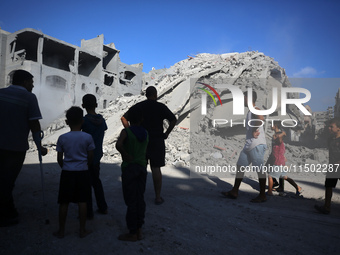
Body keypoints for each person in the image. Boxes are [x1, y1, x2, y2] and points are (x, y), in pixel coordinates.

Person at [0, 70, 47, 227]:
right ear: (25, 82)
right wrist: (39, 146)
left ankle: (9, 210)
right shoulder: (29, 97)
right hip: (15, 147)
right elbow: (34, 124)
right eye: (32, 82)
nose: (33, 85)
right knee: (8, 180)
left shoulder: (1, 93)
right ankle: (7, 214)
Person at [121, 86, 177, 205]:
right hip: (157, 140)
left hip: (141, 140)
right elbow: (173, 120)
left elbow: (123, 118)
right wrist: (166, 133)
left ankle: (138, 193)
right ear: (155, 95)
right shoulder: (161, 107)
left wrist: (131, 132)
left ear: (146, 95)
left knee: (140, 166)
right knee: (156, 168)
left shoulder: (139, 106)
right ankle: (157, 197)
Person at [54, 106, 95, 238]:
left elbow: (59, 158)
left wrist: (65, 167)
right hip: (82, 171)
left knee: (64, 202)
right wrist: (85, 165)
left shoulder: (62, 138)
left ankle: (61, 231)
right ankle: (82, 230)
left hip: (67, 172)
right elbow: (90, 156)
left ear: (67, 122)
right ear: (82, 121)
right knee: (82, 201)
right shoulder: (87, 137)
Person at [221, 90, 267, 202]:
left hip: (257, 145)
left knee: (259, 170)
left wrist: (255, 129)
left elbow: (261, 119)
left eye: (243, 97)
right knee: (240, 166)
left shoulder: (255, 109)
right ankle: (235, 191)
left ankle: (262, 195)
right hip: (249, 145)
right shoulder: (250, 111)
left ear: (248, 98)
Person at [116, 105, 149, 241]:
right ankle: (139, 229)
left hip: (130, 168)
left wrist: (125, 154)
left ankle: (132, 232)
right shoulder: (146, 132)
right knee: (140, 198)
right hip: (142, 167)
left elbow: (118, 144)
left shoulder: (127, 132)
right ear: (141, 119)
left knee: (131, 200)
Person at [82, 94, 108, 218]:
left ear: (83, 106)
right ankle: (103, 207)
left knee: (86, 184)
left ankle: (88, 212)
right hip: (97, 155)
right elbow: (104, 129)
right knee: (96, 181)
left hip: (85, 156)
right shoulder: (102, 121)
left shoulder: (84, 121)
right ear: (96, 105)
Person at [267, 121, 302, 196]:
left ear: (275, 125)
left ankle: (269, 191)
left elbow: (281, 139)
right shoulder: (276, 135)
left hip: (278, 160)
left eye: (272, 124)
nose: (270, 126)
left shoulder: (278, 136)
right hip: (278, 159)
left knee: (270, 176)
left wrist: (281, 134)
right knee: (284, 176)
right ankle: (298, 187)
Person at [315, 117, 340, 214]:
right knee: (328, 186)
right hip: (332, 166)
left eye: (331, 127)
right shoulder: (330, 139)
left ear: (339, 128)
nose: (329, 128)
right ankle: (326, 207)